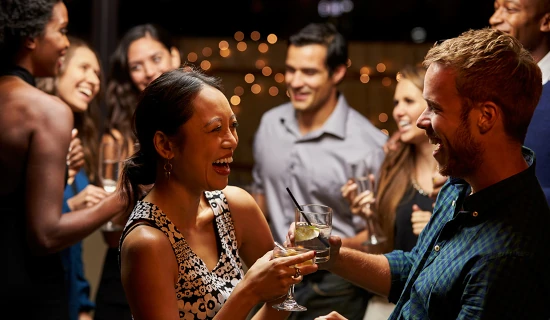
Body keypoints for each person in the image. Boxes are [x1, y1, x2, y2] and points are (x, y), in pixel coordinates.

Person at [309, 27, 550, 320]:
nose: (421, 121)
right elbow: (415, 270)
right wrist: (333, 257)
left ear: (485, 117)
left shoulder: (506, 259)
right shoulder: (461, 184)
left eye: (434, 108)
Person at [118, 66, 318, 319]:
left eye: (232, 126)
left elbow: (279, 304)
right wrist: (249, 291)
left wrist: (284, 274)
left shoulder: (235, 208)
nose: (232, 140)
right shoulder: (148, 242)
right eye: (215, 129)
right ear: (166, 145)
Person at [251, 22, 387, 320]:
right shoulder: (270, 125)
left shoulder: (368, 145)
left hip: (334, 285)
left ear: (337, 73)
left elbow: (379, 236)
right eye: (291, 70)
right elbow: (260, 198)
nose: (296, 81)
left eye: (309, 72)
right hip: (273, 278)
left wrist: (319, 245)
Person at [0, 0, 125, 318]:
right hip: (28, 293)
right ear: (31, 37)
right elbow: (45, 235)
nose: (66, 42)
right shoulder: (46, 111)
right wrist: (123, 197)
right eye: (62, 30)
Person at [94, 23, 182, 320]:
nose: (148, 71)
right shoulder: (117, 138)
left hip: (189, 266)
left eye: (156, 59)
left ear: (174, 56)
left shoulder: (199, 122)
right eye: (136, 66)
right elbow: (109, 236)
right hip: (127, 268)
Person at [340, 65, 442, 320]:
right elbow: (383, 250)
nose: (398, 111)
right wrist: (370, 218)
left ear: (432, 105)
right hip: (390, 303)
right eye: (396, 102)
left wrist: (438, 228)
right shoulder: (393, 165)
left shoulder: (459, 172)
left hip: (440, 304)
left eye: (408, 101)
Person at [36, 35, 108, 320]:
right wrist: (73, 206)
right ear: (59, 66)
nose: (93, 79)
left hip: (66, 299)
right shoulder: (37, 129)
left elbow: (72, 248)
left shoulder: (76, 141)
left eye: (98, 74)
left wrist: (82, 306)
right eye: (84, 68)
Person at [490, 0, 550, 205]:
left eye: (510, 9)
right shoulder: (488, 86)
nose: (495, 19)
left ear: (546, 21)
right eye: (496, 8)